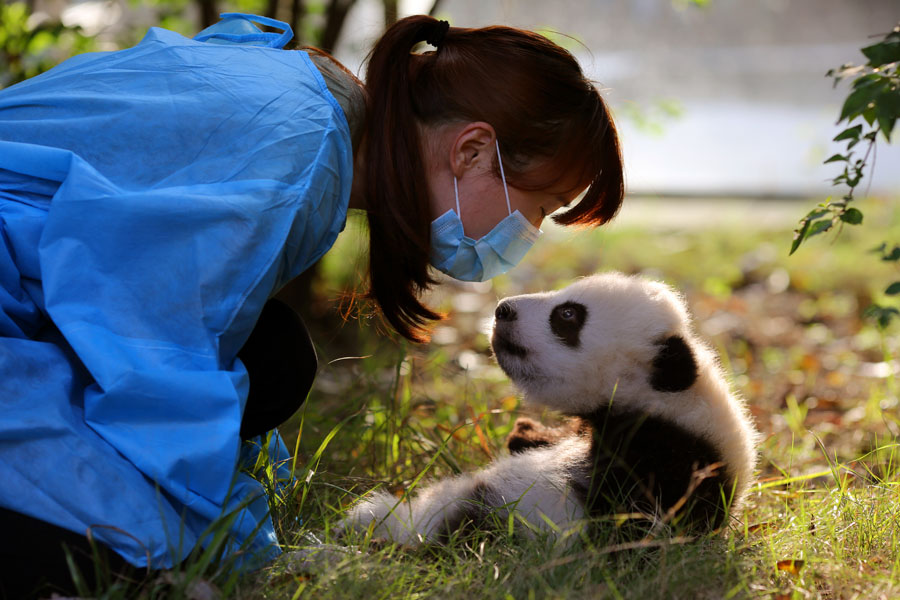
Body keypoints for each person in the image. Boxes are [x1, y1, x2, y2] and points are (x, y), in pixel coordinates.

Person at [0, 11, 623, 598]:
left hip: (44, 278)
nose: (530, 232)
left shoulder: (311, 110)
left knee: (272, 355)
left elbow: (191, 325)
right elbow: (153, 357)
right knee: (103, 554)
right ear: (472, 152)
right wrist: (245, 554)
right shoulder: (297, 158)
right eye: (540, 208)